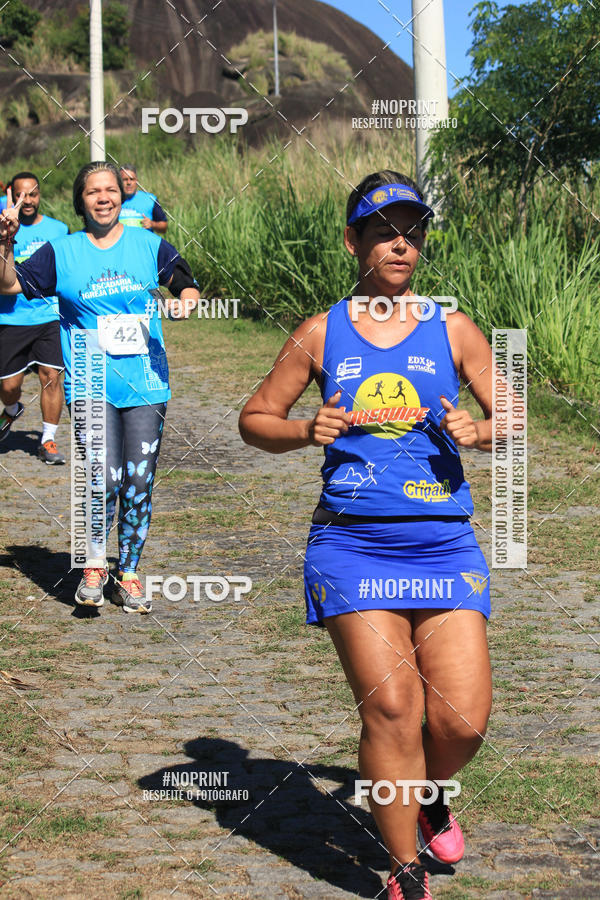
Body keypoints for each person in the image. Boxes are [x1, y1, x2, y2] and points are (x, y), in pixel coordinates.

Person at [239, 171, 494, 900]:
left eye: (411, 232)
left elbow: (513, 414)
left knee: (462, 720)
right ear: (354, 242)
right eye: (384, 232)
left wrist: (481, 429)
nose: (400, 244)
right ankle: (404, 870)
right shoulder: (321, 332)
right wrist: (303, 429)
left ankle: (427, 792)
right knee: (392, 709)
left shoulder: (453, 328)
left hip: (443, 544)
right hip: (352, 544)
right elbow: (254, 419)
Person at [0, 161, 199, 613]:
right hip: (90, 378)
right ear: (81, 201)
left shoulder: (149, 244)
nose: (104, 197)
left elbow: (185, 282)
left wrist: (186, 301)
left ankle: (128, 573)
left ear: (121, 197)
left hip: (146, 380)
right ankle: (93, 565)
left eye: (110, 190)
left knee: (139, 480)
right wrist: (5, 240)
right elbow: (9, 283)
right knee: (101, 476)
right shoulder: (61, 251)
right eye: (93, 191)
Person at [0, 172, 69, 463]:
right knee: (8, 388)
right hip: (11, 318)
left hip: (48, 317)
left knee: (51, 377)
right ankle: (12, 409)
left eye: (33, 194)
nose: (27, 200)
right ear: (10, 194)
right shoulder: (2, 227)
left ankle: (48, 440)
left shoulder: (59, 229)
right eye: (20, 194)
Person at [118, 164, 168, 233]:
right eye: (125, 180)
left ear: (137, 181)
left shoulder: (150, 199)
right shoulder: (112, 200)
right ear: (119, 182)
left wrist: (152, 224)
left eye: (132, 179)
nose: (129, 183)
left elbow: (164, 227)